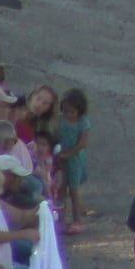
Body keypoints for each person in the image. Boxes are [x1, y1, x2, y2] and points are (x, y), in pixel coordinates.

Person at [52, 90, 90, 235]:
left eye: (72, 112)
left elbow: (82, 144)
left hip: (75, 159)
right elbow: (55, 134)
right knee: (60, 189)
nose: (69, 114)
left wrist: (68, 154)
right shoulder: (60, 119)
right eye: (66, 111)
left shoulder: (83, 122)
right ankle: (60, 220)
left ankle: (77, 220)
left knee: (74, 190)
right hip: (60, 157)